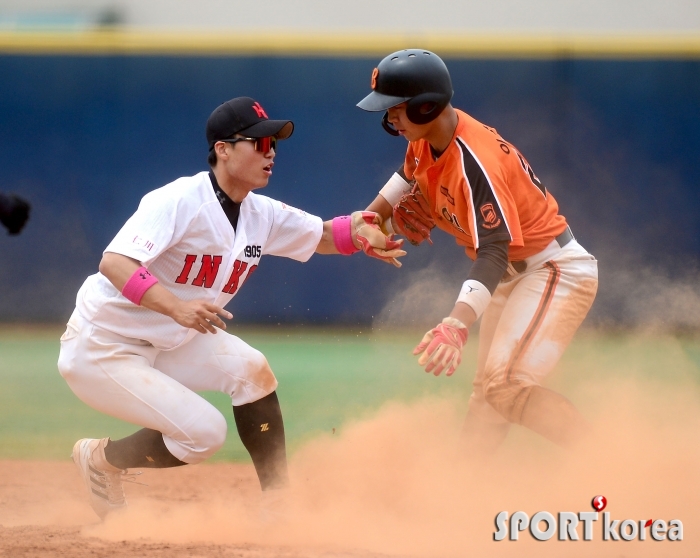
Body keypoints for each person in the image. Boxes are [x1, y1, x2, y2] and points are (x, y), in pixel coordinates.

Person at [58, 96, 404, 520]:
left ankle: (279, 502)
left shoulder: (261, 214)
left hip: (169, 339)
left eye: (273, 143)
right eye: (258, 142)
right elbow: (114, 262)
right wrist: (175, 307)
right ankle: (100, 460)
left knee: (252, 370)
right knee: (204, 434)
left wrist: (363, 233)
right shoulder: (180, 200)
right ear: (223, 149)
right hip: (103, 345)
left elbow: (325, 235)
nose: (270, 151)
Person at [357, 50, 599, 456]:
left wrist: (457, 321)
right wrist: (371, 218)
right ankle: (465, 493)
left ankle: (605, 460)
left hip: (553, 270)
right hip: (514, 275)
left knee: (505, 386)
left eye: (395, 109)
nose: (389, 119)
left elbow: (494, 250)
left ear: (425, 106)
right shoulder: (425, 141)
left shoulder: (475, 161)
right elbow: (406, 175)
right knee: (488, 397)